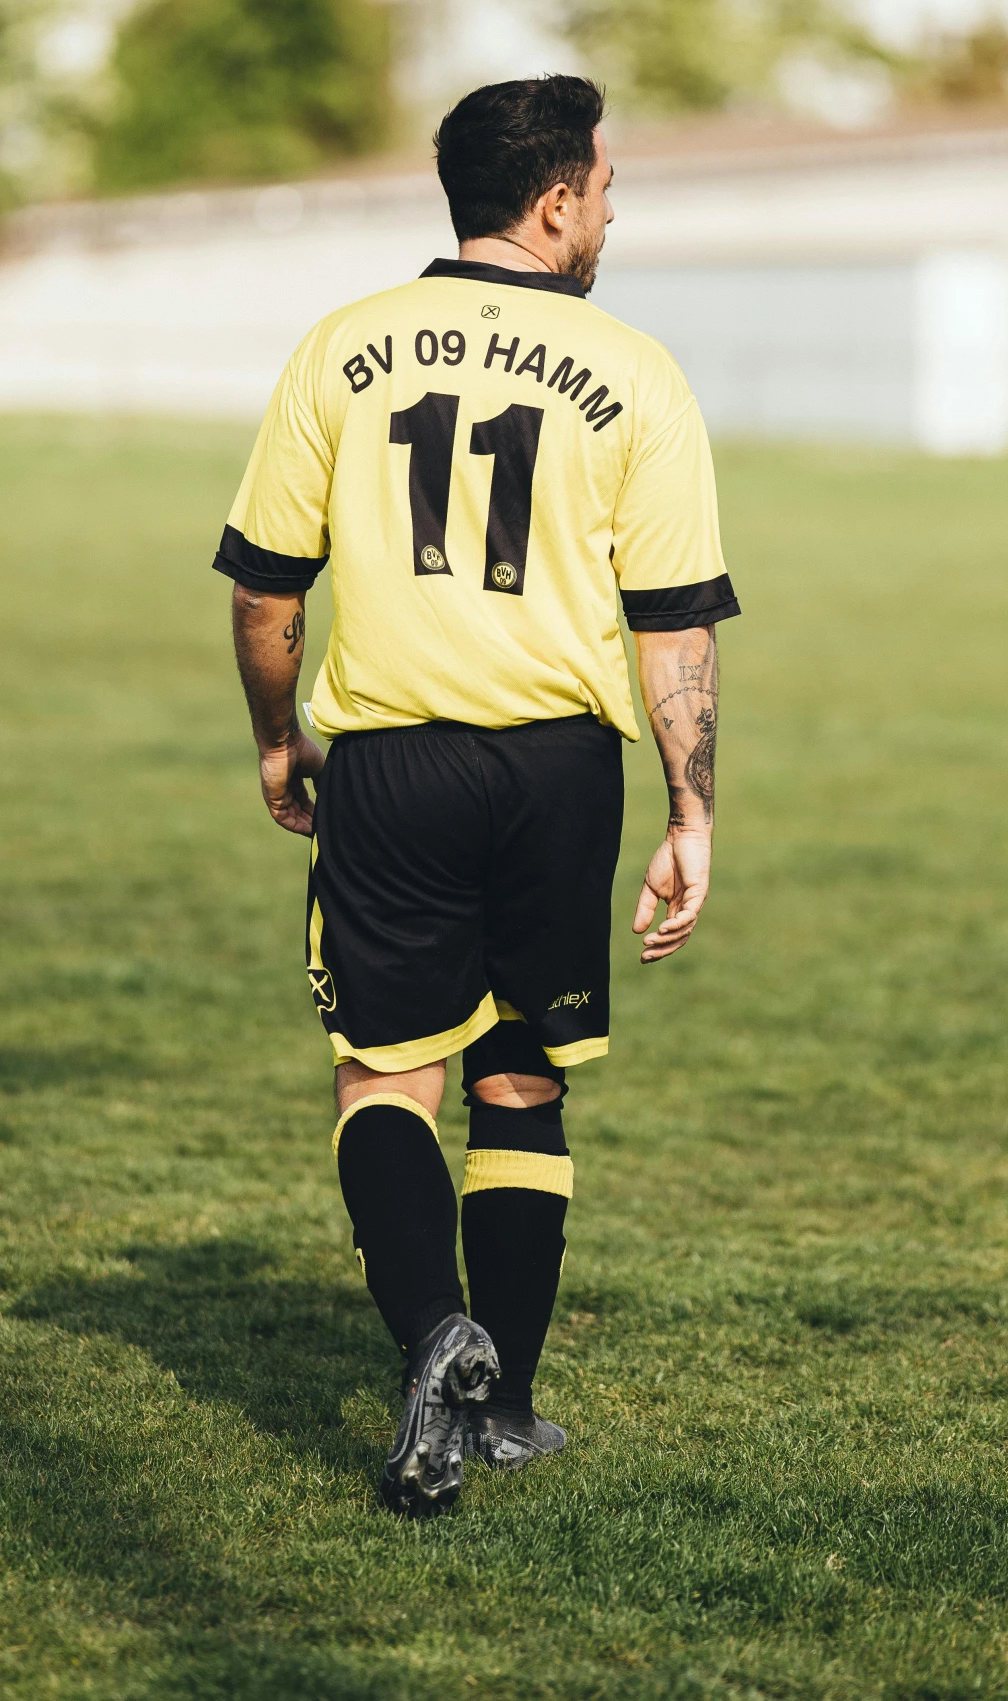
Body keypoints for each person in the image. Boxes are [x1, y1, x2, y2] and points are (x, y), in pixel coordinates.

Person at [214, 75, 739, 1518]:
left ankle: (428, 1335)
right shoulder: (635, 370)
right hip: (560, 767)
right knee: (519, 1076)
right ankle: (499, 1396)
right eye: (608, 184)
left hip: (392, 761)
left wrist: (277, 736)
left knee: (385, 1074)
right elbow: (674, 628)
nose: (614, 207)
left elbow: (267, 589)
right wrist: (692, 813)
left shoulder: (342, 346)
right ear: (554, 198)